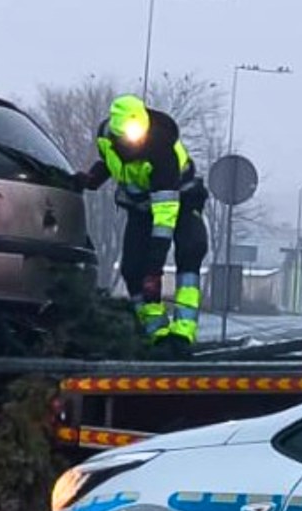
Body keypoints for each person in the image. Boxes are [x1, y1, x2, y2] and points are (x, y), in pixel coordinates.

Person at [76, 95, 210, 349]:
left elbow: (165, 218)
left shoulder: (160, 149)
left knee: (191, 251)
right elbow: (110, 163)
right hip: (140, 207)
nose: (131, 145)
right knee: (131, 269)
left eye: (135, 139)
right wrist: (92, 179)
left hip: (180, 200)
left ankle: (183, 331)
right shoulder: (105, 138)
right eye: (124, 140)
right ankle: (154, 331)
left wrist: (155, 268)